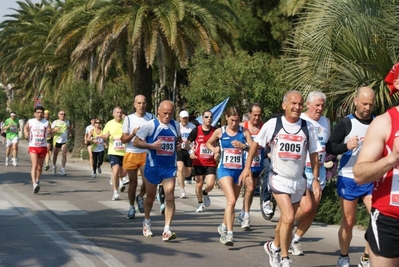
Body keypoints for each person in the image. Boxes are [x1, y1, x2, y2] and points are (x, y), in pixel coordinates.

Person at [240, 90, 321, 267]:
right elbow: (256, 146)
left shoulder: (308, 128)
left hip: (298, 180)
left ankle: (273, 245)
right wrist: (247, 168)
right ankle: (284, 258)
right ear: (284, 105)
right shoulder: (273, 124)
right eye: (293, 103)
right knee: (289, 216)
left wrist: (314, 179)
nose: (297, 107)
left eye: (300, 104)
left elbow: (314, 154)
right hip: (278, 178)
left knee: (304, 209)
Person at [353, 68, 399, 266]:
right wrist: (393, 158)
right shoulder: (384, 123)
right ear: (397, 83)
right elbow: (360, 174)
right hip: (390, 220)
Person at [326, 86, 375, 267]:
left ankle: (366, 257)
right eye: (364, 104)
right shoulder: (346, 123)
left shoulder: (377, 122)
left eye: (370, 104)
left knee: (377, 217)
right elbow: (330, 147)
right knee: (349, 221)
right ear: (356, 101)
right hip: (348, 177)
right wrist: (346, 146)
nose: (367, 108)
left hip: (370, 177)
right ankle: (344, 256)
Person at [288, 91, 331, 256]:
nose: (320, 109)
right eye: (317, 105)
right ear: (308, 104)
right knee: (306, 207)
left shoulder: (326, 122)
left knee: (313, 210)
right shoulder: (300, 121)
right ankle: (287, 221)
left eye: (322, 106)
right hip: (301, 170)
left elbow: (329, 145)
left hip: (318, 170)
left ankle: (295, 240)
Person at [133, 100, 181, 241]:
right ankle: (147, 222)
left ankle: (167, 229)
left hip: (169, 167)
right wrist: (151, 146)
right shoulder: (150, 125)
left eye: (170, 114)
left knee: (170, 196)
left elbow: (177, 140)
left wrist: (178, 145)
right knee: (150, 198)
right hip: (153, 167)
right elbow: (136, 141)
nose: (167, 116)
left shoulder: (175, 125)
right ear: (158, 112)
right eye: (165, 113)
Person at [206, 107, 253, 246]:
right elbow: (208, 142)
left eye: (237, 120)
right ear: (226, 118)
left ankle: (223, 226)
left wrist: (243, 146)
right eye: (232, 120)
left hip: (239, 171)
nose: (234, 123)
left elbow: (254, 151)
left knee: (231, 203)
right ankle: (230, 234)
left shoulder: (244, 132)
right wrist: (214, 149)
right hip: (224, 170)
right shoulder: (220, 132)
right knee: (231, 200)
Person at [121, 95, 155, 219]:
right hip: (131, 152)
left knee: (147, 181)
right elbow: (123, 139)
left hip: (146, 153)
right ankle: (131, 207)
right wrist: (133, 134)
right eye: (139, 103)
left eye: (143, 103)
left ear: (146, 104)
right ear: (134, 104)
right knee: (133, 183)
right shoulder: (129, 119)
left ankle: (140, 197)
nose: (141, 105)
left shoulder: (151, 118)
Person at [237, 103, 264, 229]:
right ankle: (246, 217)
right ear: (249, 114)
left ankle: (243, 212)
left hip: (257, 164)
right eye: (254, 115)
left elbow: (263, 146)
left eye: (259, 115)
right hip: (244, 164)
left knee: (251, 190)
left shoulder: (264, 128)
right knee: (250, 186)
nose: (257, 118)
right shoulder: (243, 127)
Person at [187, 110, 217, 213]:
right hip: (198, 161)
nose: (209, 119)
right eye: (207, 117)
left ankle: (205, 193)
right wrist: (191, 152)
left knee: (211, 184)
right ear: (202, 118)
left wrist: (217, 152)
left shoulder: (215, 131)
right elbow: (187, 143)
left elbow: (219, 144)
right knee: (199, 184)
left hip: (211, 162)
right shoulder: (196, 130)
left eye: (211, 117)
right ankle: (200, 203)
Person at [24, 106, 51, 193]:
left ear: (43, 114)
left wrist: (51, 131)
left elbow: (50, 131)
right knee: (34, 165)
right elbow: (25, 127)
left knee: (40, 167)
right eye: (38, 112)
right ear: (35, 113)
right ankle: (34, 184)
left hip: (43, 146)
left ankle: (37, 180)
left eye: (41, 112)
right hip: (33, 146)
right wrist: (25, 133)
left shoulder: (46, 122)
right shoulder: (31, 121)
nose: (39, 114)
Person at [102, 106, 126, 201]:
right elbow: (103, 135)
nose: (119, 114)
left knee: (123, 173)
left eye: (120, 112)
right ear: (113, 114)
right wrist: (106, 136)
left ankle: (117, 180)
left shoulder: (125, 122)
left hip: (125, 151)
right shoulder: (109, 123)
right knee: (115, 170)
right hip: (113, 151)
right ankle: (115, 192)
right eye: (117, 112)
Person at [177, 110, 196, 198]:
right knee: (180, 168)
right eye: (183, 118)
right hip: (179, 149)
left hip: (189, 150)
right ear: (179, 118)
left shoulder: (192, 127)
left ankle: (180, 177)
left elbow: (195, 139)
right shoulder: (177, 126)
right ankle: (182, 190)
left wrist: (193, 149)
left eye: (186, 118)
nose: (184, 120)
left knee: (188, 173)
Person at [52, 110, 71, 176]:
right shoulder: (55, 122)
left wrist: (70, 134)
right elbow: (50, 131)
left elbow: (69, 128)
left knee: (64, 154)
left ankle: (63, 169)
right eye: (61, 114)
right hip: (56, 140)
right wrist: (55, 130)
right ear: (58, 115)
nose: (63, 115)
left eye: (64, 114)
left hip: (64, 141)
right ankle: (54, 166)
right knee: (55, 155)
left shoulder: (67, 122)